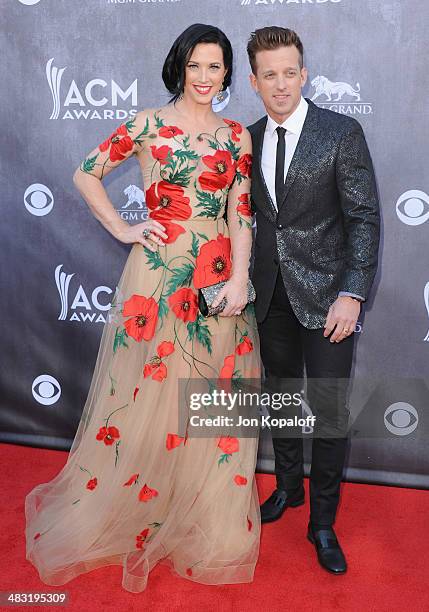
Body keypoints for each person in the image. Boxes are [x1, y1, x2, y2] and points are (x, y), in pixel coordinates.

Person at [25, 23, 261, 593]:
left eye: (216, 66)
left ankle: (206, 517)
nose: (205, 77)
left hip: (218, 279)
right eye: (196, 65)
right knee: (145, 393)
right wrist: (126, 229)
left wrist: (241, 278)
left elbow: (241, 213)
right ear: (179, 66)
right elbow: (86, 174)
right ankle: (136, 506)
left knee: (213, 397)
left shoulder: (236, 136)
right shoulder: (147, 124)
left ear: (227, 72)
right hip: (156, 276)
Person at [246, 27, 380, 574]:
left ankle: (322, 522)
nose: (281, 84)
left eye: (290, 72)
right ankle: (286, 490)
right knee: (279, 399)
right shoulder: (246, 137)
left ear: (304, 73)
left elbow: (364, 219)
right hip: (270, 295)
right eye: (269, 75)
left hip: (329, 299)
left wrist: (352, 294)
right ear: (254, 82)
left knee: (327, 411)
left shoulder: (341, 132)